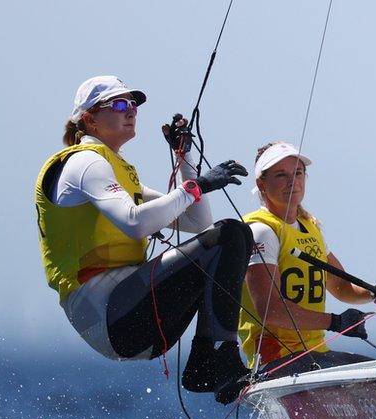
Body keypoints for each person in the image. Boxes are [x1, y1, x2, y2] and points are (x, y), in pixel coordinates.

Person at [34, 75, 252, 394]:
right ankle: (215, 359)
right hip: (108, 314)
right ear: (89, 119)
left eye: (134, 104)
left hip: (131, 318)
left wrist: (185, 157)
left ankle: (208, 363)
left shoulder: (117, 171)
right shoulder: (84, 163)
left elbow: (197, 220)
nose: (131, 111)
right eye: (119, 104)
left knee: (235, 234)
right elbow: (136, 222)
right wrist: (198, 186)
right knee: (230, 234)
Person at [237, 142, 376, 379]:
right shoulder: (261, 231)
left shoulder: (309, 228)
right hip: (277, 361)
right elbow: (270, 310)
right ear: (261, 184)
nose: (292, 181)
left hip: (315, 355)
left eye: (297, 173)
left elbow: (342, 287)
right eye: (280, 175)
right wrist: (335, 322)